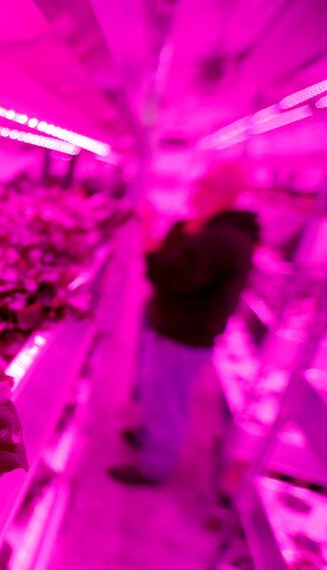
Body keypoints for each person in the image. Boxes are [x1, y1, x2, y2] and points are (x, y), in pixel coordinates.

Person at [109, 162, 260, 486]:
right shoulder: (207, 230)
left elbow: (168, 273)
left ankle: (154, 466)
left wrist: (149, 229)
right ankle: (149, 436)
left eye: (204, 185)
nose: (196, 190)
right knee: (156, 391)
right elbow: (174, 256)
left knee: (167, 401)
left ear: (222, 192)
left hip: (183, 336)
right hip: (171, 327)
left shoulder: (224, 240)